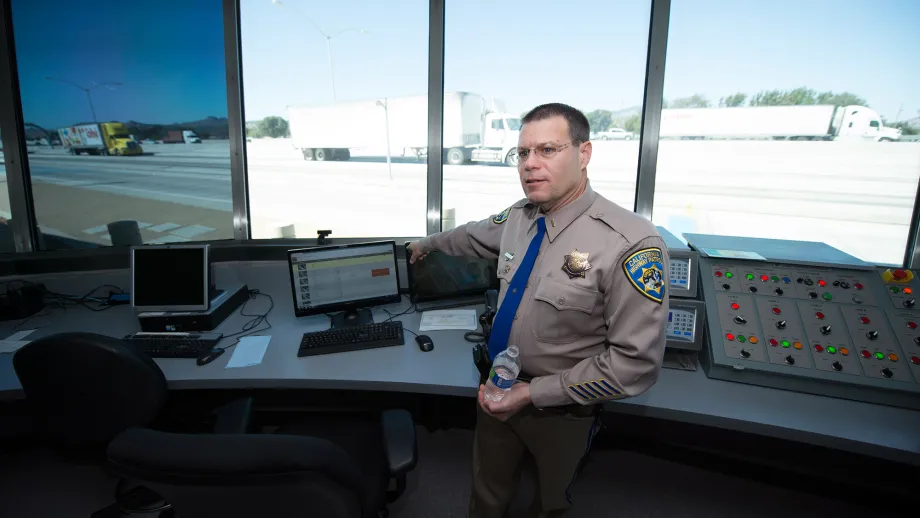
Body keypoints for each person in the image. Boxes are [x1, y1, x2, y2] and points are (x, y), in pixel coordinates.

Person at [408, 103, 669, 518]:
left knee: (551, 503)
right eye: (523, 153)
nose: (530, 164)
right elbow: (471, 236)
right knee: (487, 489)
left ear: (584, 154)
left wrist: (533, 394)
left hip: (562, 406)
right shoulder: (519, 217)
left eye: (547, 150)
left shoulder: (630, 242)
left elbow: (635, 364)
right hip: (496, 383)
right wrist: (426, 243)